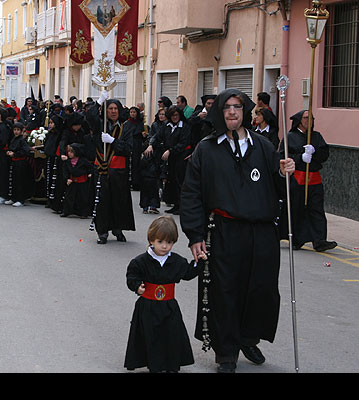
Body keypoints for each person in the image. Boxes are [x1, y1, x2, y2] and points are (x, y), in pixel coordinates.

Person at [180, 88, 295, 373]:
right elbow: (191, 194)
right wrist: (195, 236)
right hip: (224, 231)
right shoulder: (206, 150)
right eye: (228, 107)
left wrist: (284, 172)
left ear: (244, 112)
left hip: (262, 233)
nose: (233, 112)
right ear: (220, 111)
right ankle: (226, 351)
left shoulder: (264, 146)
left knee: (260, 290)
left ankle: (248, 337)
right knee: (226, 292)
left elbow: (282, 190)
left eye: (238, 107)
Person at [124, 215, 206, 373]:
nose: (164, 246)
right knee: (150, 336)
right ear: (151, 240)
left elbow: (187, 273)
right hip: (147, 306)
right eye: (160, 242)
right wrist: (137, 286)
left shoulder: (176, 261)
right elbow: (132, 276)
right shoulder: (141, 261)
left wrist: (199, 262)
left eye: (169, 242)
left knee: (171, 335)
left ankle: (171, 364)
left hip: (169, 306)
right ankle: (153, 364)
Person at [280, 110, 336, 252]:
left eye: (311, 118)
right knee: (296, 208)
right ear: (299, 120)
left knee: (317, 209)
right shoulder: (290, 137)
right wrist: (300, 157)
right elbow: (282, 155)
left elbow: (325, 154)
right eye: (306, 118)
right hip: (297, 178)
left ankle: (319, 240)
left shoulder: (316, 137)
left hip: (314, 179)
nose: (309, 120)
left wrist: (315, 152)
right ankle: (296, 239)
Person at [85, 91, 135, 244]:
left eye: (116, 109)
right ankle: (103, 231)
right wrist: (99, 102)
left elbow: (128, 148)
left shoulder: (126, 127)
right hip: (102, 167)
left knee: (119, 200)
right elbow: (89, 117)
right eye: (110, 108)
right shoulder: (100, 124)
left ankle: (118, 228)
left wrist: (113, 141)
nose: (113, 111)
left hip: (119, 169)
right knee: (102, 201)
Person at [144, 105, 191, 215]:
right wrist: (150, 145)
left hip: (181, 156)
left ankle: (181, 205)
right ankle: (175, 204)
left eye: (176, 115)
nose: (175, 117)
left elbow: (183, 143)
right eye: (172, 115)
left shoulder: (184, 126)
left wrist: (170, 150)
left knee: (179, 181)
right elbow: (157, 136)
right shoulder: (166, 126)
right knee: (171, 180)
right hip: (170, 157)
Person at [61, 143, 93, 218]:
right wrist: (67, 178)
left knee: (83, 198)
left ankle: (83, 213)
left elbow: (91, 167)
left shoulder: (83, 161)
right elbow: (65, 171)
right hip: (72, 181)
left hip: (82, 181)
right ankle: (66, 211)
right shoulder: (67, 161)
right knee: (69, 197)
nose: (69, 154)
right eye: (68, 152)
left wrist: (90, 173)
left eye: (71, 152)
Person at [6, 122, 33, 207]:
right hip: (14, 162)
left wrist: (15, 154)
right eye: (15, 130)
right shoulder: (14, 139)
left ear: (21, 131)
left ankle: (20, 199)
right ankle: (14, 197)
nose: (16, 132)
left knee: (20, 181)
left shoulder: (22, 140)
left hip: (21, 163)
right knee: (14, 180)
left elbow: (26, 151)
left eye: (18, 130)